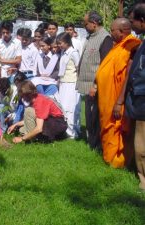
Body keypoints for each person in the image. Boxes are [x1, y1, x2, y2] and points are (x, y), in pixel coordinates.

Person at [96, 18, 141, 168]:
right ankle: (110, 158)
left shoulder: (132, 46)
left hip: (117, 98)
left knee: (118, 128)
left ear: (121, 31)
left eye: (112, 30)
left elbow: (128, 75)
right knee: (107, 126)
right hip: (107, 97)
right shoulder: (118, 46)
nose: (110, 32)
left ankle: (118, 161)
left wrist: (119, 101)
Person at [76, 11, 113, 150]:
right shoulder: (90, 37)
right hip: (87, 85)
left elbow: (105, 65)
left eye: (85, 23)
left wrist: (96, 86)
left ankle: (97, 145)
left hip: (96, 86)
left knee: (95, 117)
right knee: (89, 115)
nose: (84, 26)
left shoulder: (105, 38)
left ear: (94, 23)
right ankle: (91, 143)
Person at [125, 3, 145, 190]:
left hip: (142, 100)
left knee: (141, 145)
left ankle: (144, 181)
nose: (132, 26)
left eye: (133, 22)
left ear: (142, 21)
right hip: (138, 98)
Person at [57, 32, 81, 139]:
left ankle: (73, 132)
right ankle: (65, 130)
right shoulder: (63, 52)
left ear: (67, 42)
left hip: (71, 84)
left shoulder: (73, 52)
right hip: (63, 83)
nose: (59, 45)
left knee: (70, 108)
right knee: (63, 107)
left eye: (60, 43)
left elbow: (78, 67)